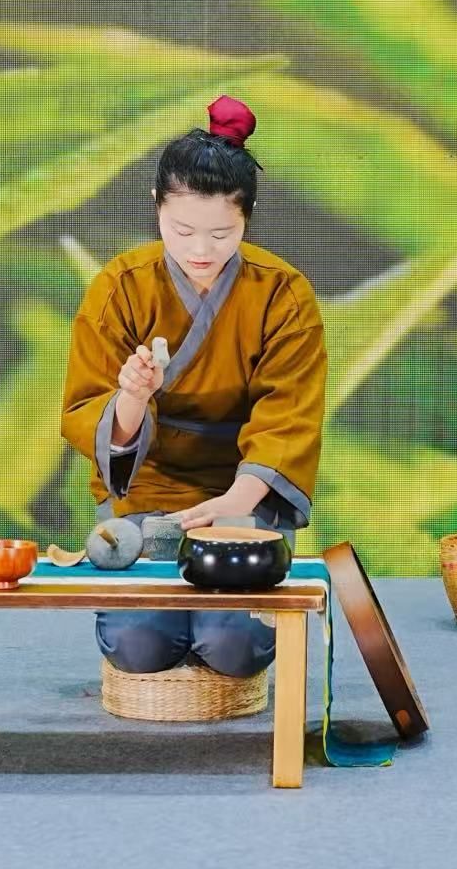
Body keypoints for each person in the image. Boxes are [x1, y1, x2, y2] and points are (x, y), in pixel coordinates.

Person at [60, 96, 327, 678]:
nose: (201, 251)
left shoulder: (283, 294)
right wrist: (132, 398)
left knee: (234, 645)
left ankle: (225, 628)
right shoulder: (120, 287)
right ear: (156, 204)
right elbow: (86, 406)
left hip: (243, 487)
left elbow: (289, 412)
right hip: (147, 485)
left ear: (248, 217)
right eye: (182, 230)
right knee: (138, 644)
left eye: (222, 233)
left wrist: (237, 502)